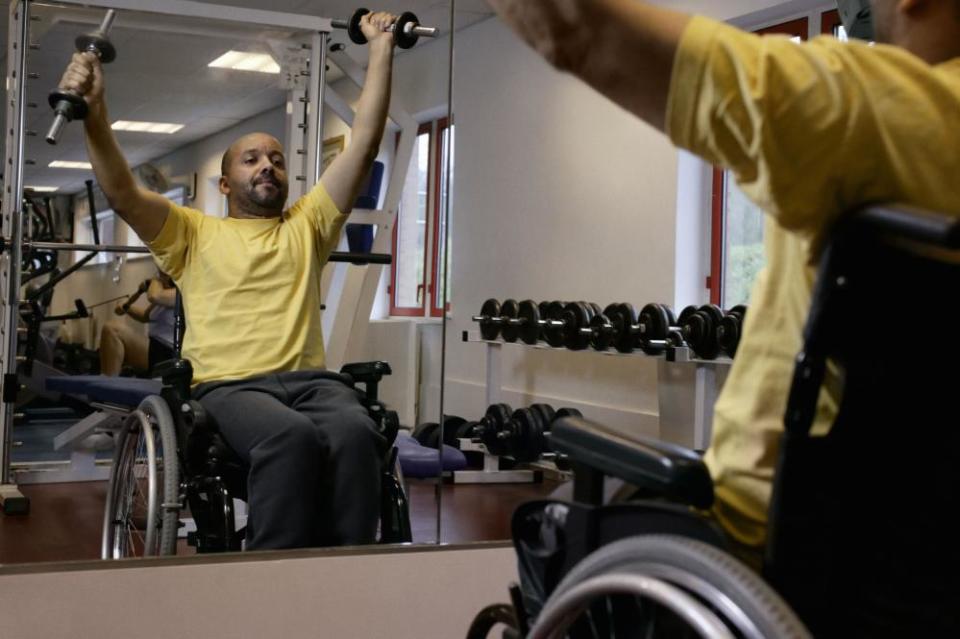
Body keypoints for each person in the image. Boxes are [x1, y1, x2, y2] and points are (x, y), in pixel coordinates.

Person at [486, 0, 960, 564]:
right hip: (921, 565)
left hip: (758, 550)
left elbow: (568, 24)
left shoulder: (877, 112)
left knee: (558, 520)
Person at [59, 11, 401, 550]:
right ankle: (270, 582)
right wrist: (95, 112)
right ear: (224, 182)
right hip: (230, 388)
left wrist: (381, 47)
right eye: (251, 159)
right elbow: (122, 191)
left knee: (359, 434)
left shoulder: (308, 226)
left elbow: (363, 143)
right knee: (290, 440)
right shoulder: (192, 233)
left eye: (277, 159)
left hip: (312, 383)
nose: (267, 165)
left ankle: (346, 566)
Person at [99, 270, 176, 377]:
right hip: (155, 348)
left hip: (170, 354)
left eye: (163, 274)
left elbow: (154, 296)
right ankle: (106, 383)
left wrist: (154, 280)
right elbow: (145, 316)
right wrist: (126, 307)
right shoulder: (165, 292)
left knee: (112, 329)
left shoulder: (181, 292)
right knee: (111, 330)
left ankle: (107, 386)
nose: (162, 277)